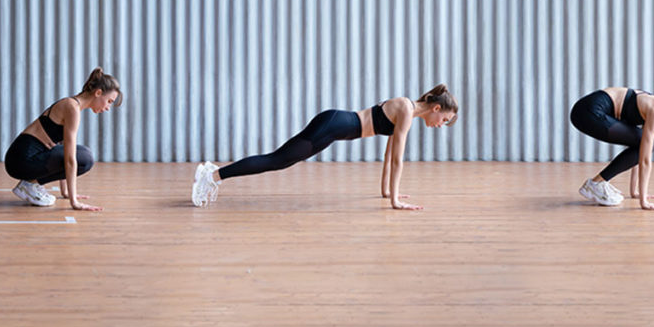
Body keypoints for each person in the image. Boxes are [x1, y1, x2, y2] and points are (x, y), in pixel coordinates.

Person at [191, 84, 459, 210]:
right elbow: (399, 159)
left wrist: (388, 191)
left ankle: (213, 174)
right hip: (331, 125)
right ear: (436, 108)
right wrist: (395, 201)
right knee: (277, 160)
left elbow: (389, 155)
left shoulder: (407, 111)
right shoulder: (405, 108)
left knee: (279, 160)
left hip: (332, 126)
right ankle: (212, 176)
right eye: (444, 120)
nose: (440, 125)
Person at [3, 67, 123, 211]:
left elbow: (61, 150)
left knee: (82, 153)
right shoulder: (72, 108)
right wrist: (74, 202)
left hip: (22, 158)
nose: (108, 107)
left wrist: (65, 192)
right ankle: (29, 185)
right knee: (85, 157)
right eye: (109, 101)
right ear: (98, 93)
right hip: (20, 160)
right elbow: (70, 159)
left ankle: (31, 184)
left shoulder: (72, 106)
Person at [570, 87, 654, 211]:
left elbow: (639, 150)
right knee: (644, 143)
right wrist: (644, 202)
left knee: (640, 142)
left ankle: (597, 183)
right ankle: (596, 184)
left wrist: (634, 191)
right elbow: (645, 160)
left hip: (584, 111)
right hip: (588, 111)